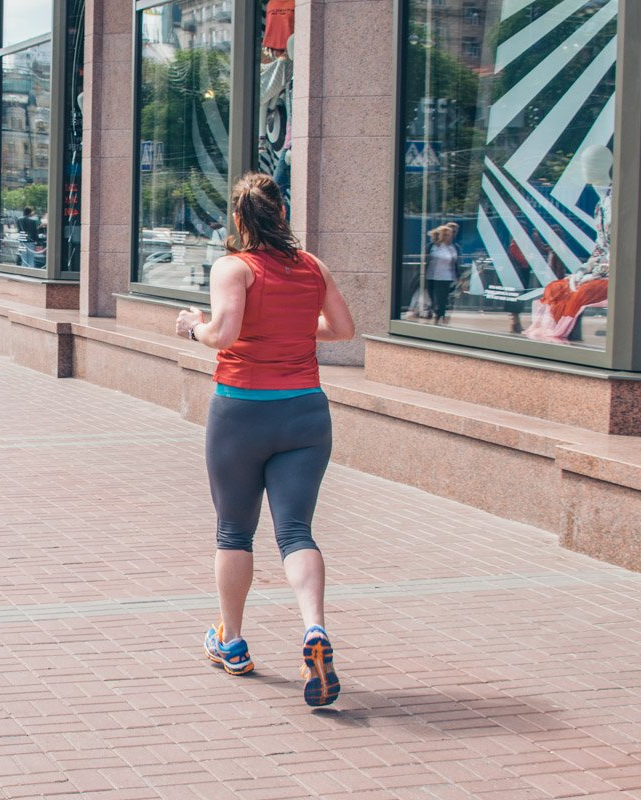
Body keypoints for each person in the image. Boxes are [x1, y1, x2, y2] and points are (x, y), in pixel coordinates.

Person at [174, 171, 354, 707]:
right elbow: (343, 329)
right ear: (281, 214)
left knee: (234, 531)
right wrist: (294, 329)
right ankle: (314, 628)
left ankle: (230, 642)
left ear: (237, 219)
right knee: (296, 531)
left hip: (242, 412)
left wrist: (193, 324)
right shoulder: (311, 266)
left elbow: (224, 335)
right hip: (305, 413)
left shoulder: (234, 267)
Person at [426, 226, 459, 324]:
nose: (449, 237)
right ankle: (436, 314)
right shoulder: (432, 246)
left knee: (442, 299)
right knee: (432, 298)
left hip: (445, 277)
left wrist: (458, 276)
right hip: (431, 276)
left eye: (450, 235)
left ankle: (441, 316)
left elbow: (455, 262)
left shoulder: (453, 247)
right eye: (446, 235)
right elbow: (426, 259)